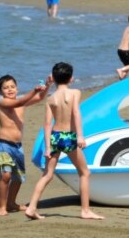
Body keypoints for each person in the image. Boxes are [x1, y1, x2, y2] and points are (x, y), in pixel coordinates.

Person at [25, 62, 105, 221]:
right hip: (68, 137)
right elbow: (76, 112)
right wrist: (80, 136)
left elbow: (47, 124)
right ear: (71, 78)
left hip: (55, 136)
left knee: (47, 174)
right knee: (84, 172)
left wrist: (47, 146)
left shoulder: (51, 98)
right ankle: (85, 210)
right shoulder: (75, 92)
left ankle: (32, 207)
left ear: (53, 78)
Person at [0, 74, 49, 215]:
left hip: (17, 146)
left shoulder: (20, 103)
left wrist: (48, 85)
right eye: (5, 88)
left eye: (12, 87)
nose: (10, 90)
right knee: (5, 175)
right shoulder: (3, 103)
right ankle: (1, 207)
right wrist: (34, 91)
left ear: (17, 89)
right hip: (4, 145)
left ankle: (11, 203)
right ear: (0, 91)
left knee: (18, 178)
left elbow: (40, 98)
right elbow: (18, 103)